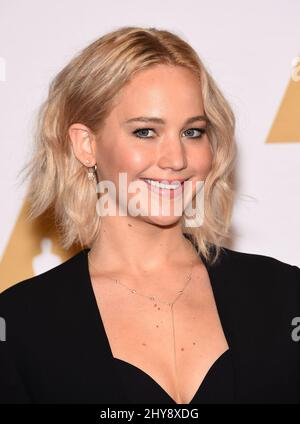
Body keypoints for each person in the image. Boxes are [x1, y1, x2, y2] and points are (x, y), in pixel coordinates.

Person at [0, 26, 299, 405]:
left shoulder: (284, 296)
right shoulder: (21, 325)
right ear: (86, 144)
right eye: (145, 132)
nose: (176, 159)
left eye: (192, 132)